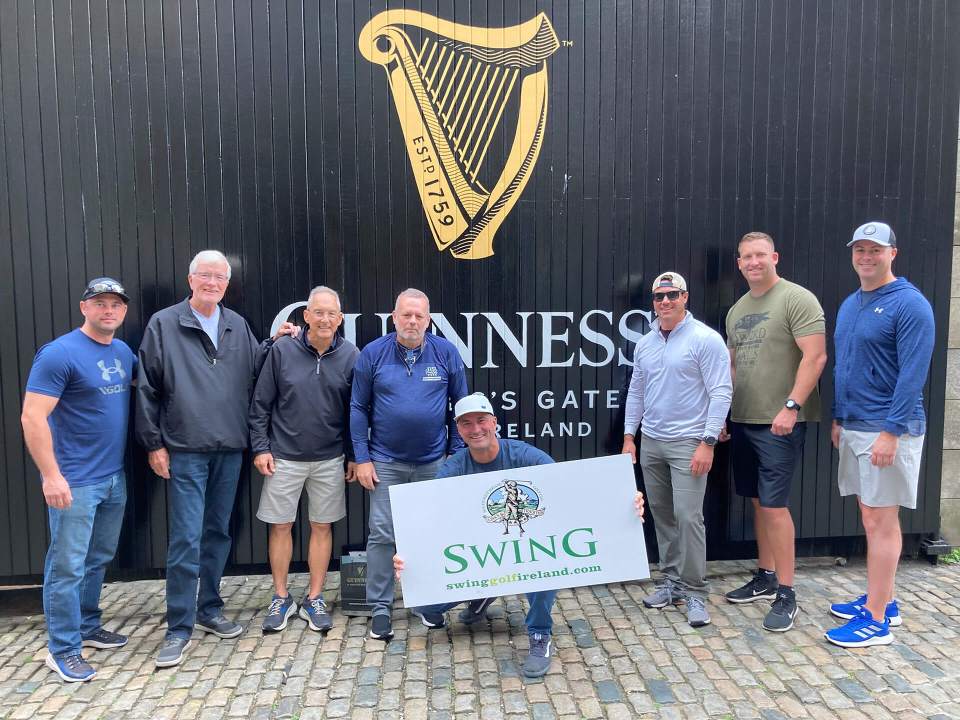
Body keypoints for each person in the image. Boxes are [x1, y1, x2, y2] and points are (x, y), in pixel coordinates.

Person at [394, 392, 648, 678]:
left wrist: (624, 502)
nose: (476, 429)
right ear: (459, 430)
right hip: (486, 546)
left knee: (542, 562)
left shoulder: (523, 455)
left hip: (527, 540)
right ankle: (485, 590)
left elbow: (572, 486)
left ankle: (540, 634)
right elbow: (429, 514)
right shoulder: (455, 466)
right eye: (467, 424)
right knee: (426, 604)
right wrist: (408, 553)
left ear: (494, 422)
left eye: (481, 421)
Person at [136, 250, 295, 668]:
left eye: (219, 277)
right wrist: (153, 443)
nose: (212, 282)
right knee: (186, 537)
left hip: (229, 447)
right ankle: (178, 627)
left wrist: (274, 343)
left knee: (218, 533)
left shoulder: (235, 323)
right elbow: (147, 388)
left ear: (227, 283)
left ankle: (208, 608)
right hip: (185, 449)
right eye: (205, 275)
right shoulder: (164, 324)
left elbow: (252, 368)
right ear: (190, 279)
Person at [825, 222, 934, 648]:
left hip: (887, 430)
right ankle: (883, 600)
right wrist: (838, 417)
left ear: (893, 252)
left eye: (875, 250)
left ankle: (876, 622)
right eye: (860, 250)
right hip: (855, 424)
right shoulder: (853, 303)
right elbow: (845, 365)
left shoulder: (910, 305)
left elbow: (912, 375)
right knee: (870, 515)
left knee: (881, 520)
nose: (866, 257)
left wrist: (892, 431)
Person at [21, 278, 135, 682]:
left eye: (116, 305)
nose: (109, 310)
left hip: (112, 476)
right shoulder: (59, 353)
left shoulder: (122, 351)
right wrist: (51, 476)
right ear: (84, 307)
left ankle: (87, 625)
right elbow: (32, 417)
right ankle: (63, 648)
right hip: (74, 480)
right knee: (67, 566)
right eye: (100, 303)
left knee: (97, 558)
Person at [350, 288, 468, 641]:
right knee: (383, 533)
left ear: (428, 320)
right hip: (385, 460)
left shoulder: (446, 353)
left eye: (419, 316)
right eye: (406, 315)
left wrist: (455, 452)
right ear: (394, 316)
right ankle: (381, 606)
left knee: (429, 533)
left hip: (434, 460)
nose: (412, 321)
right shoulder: (373, 354)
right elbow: (358, 407)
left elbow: (461, 405)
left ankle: (427, 602)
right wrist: (362, 457)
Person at [724, 232, 827, 632]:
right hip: (744, 419)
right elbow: (732, 368)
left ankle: (787, 592)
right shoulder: (736, 310)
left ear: (774, 257)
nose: (753, 261)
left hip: (780, 422)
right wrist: (725, 416)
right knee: (757, 501)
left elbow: (815, 356)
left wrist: (791, 406)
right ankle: (765, 576)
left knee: (774, 505)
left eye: (760, 255)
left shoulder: (797, 298)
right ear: (739, 263)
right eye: (746, 256)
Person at [622, 272, 732, 627]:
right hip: (652, 440)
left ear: (686, 297)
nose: (665, 302)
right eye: (659, 297)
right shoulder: (646, 343)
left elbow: (721, 392)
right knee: (663, 515)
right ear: (652, 302)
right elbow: (636, 391)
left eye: (672, 295)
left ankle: (697, 593)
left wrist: (708, 441)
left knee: (689, 518)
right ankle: (672, 583)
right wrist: (629, 436)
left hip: (690, 442)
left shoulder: (705, 339)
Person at [249, 286, 359, 633]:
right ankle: (281, 597)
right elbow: (260, 404)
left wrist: (354, 456)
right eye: (319, 312)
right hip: (284, 457)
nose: (325, 319)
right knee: (280, 525)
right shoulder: (282, 350)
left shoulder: (352, 355)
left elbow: (357, 412)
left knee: (322, 527)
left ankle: (314, 598)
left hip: (330, 458)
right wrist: (261, 447)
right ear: (306, 316)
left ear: (340, 320)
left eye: (332, 313)